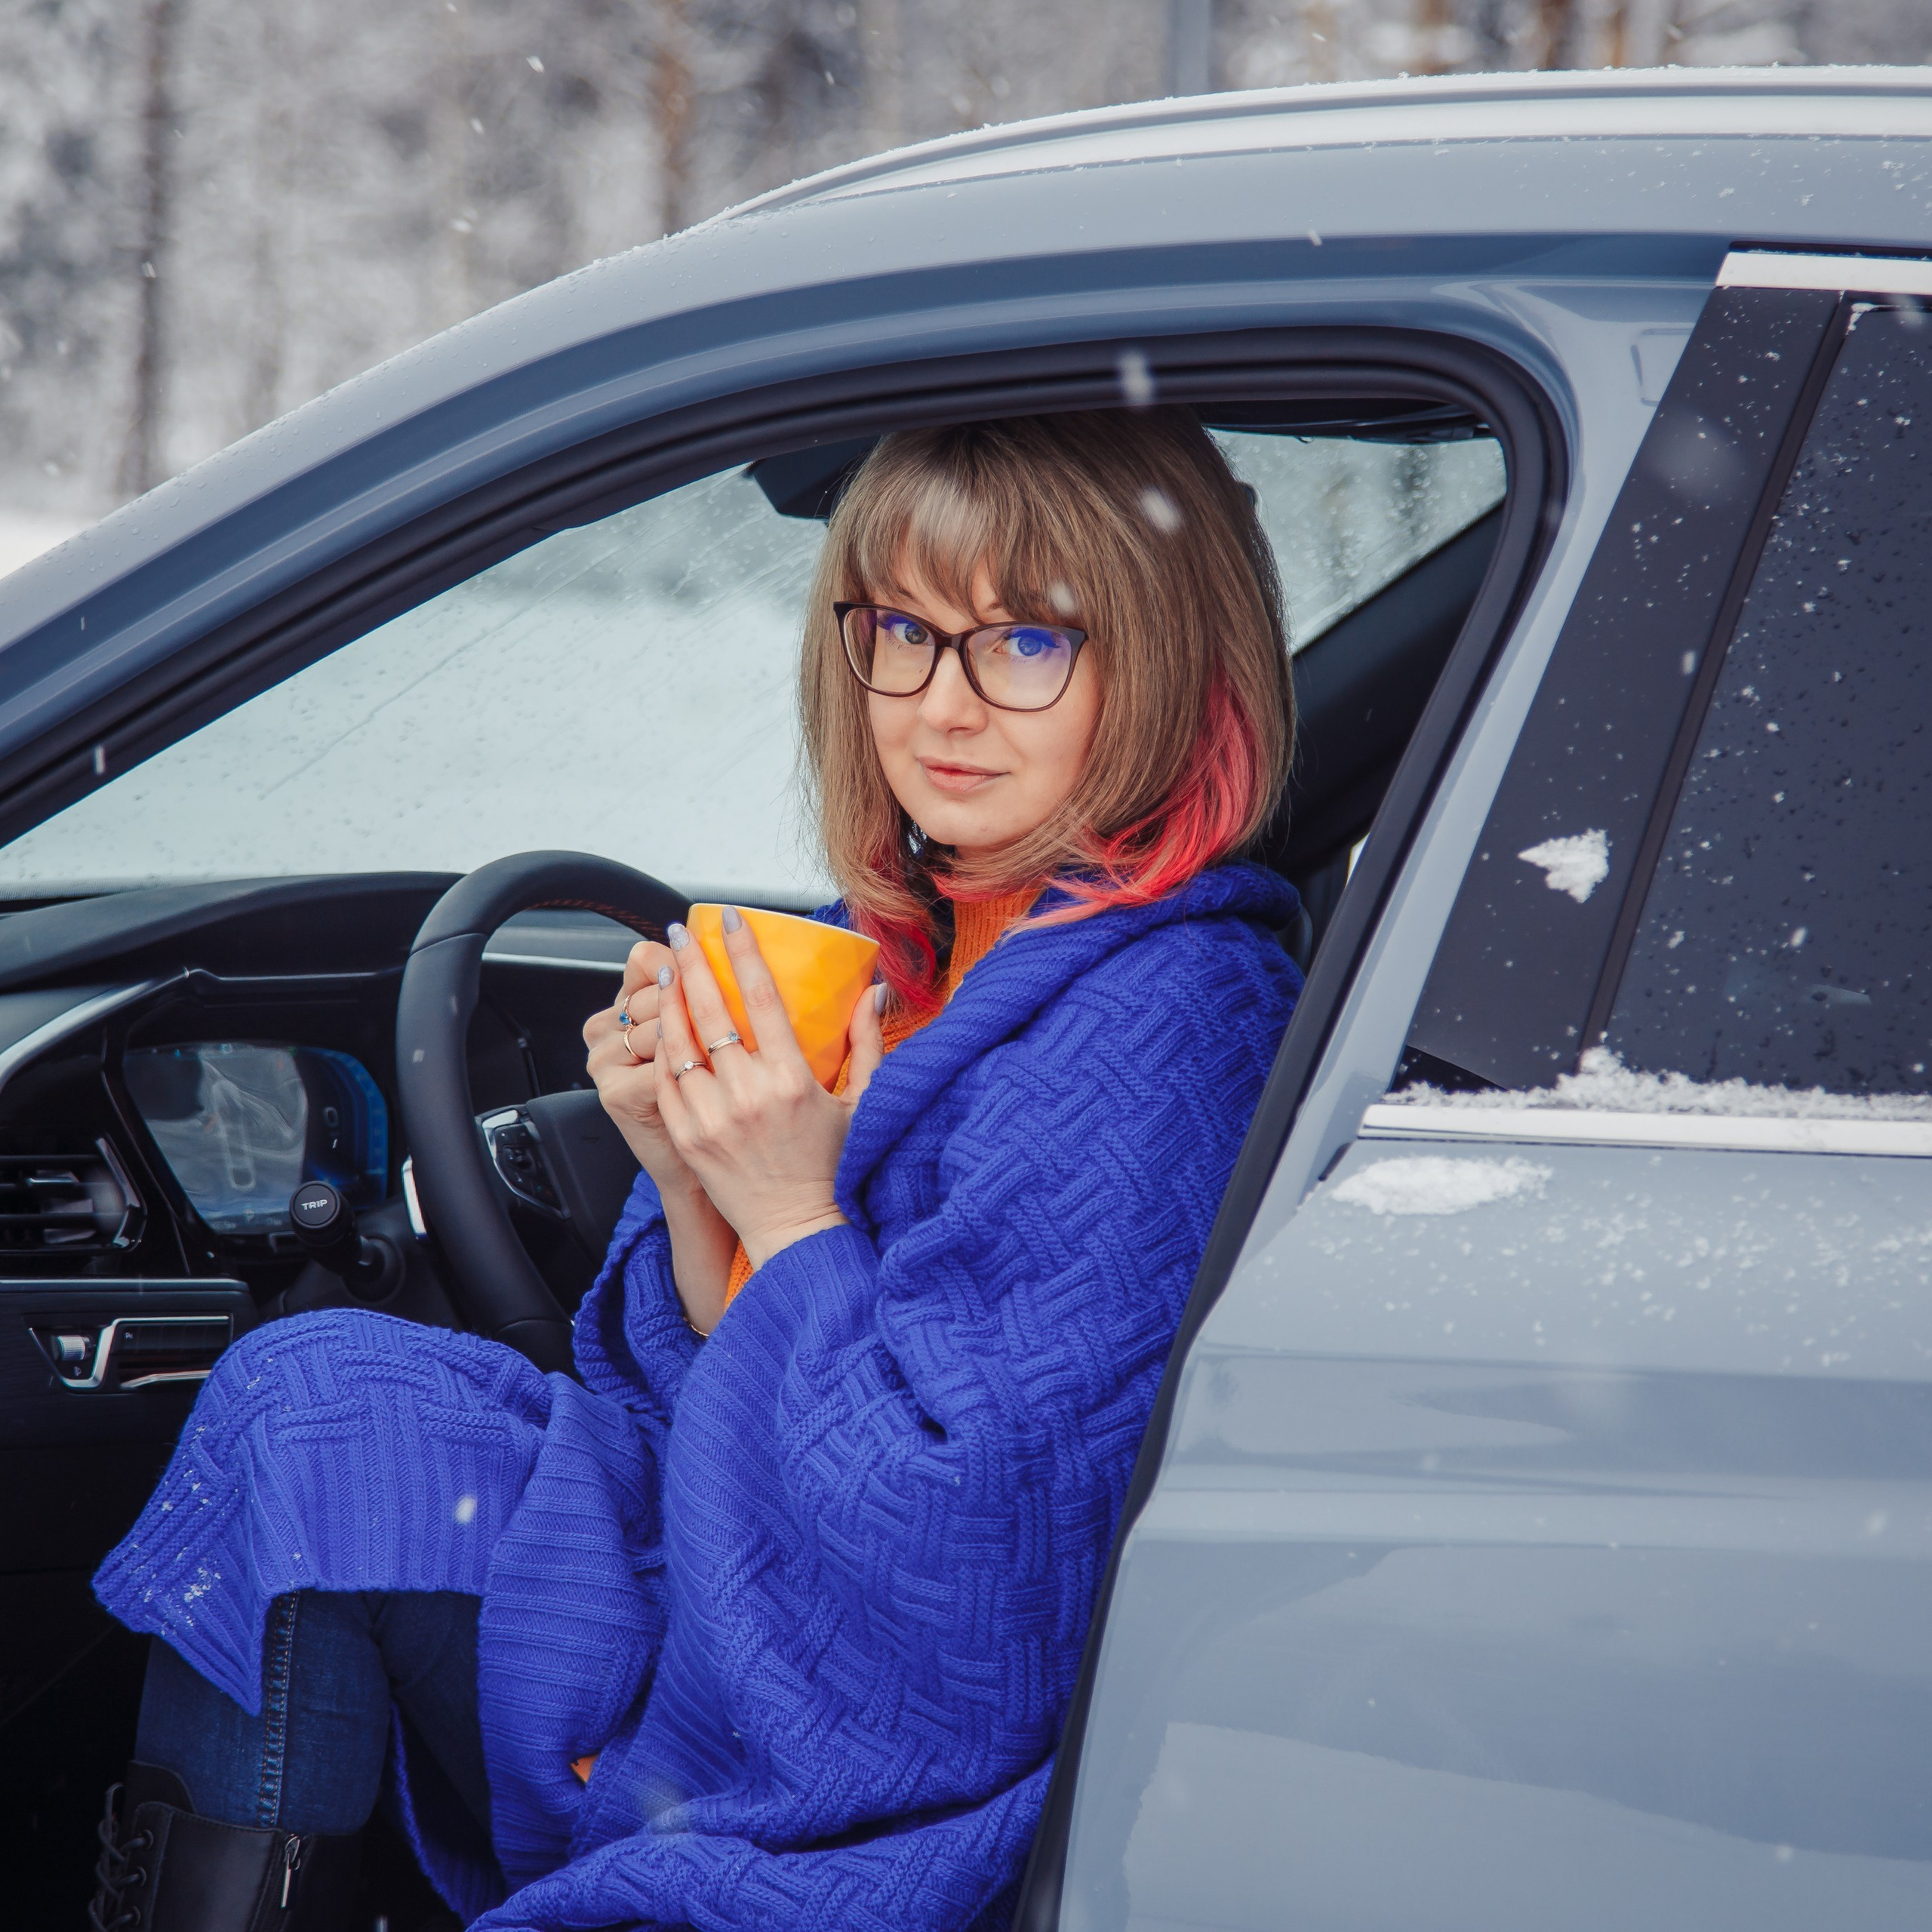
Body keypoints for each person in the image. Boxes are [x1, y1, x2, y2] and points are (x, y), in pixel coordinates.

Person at [88, 407, 1304, 1931]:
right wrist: (686, 1176)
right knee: (310, 1403)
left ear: (1161, 658)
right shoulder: (935, 942)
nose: (944, 704)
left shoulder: (1158, 1020)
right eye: (904, 631)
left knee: (317, 1426)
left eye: (1027, 642)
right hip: (752, 1556)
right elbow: (733, 1373)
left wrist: (789, 1206)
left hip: (862, 1702)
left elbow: (971, 1579)